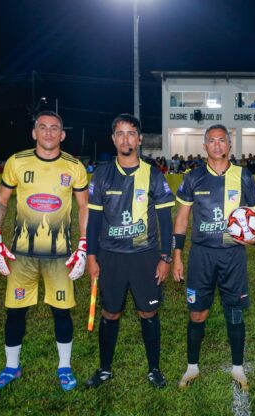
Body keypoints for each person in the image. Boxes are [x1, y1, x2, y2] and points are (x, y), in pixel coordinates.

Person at [0, 110, 89, 392]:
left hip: (60, 256)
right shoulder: (16, 162)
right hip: (22, 255)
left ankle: (64, 367)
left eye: (54, 128)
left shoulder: (74, 167)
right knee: (15, 312)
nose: (48, 133)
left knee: (62, 312)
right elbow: (1, 199)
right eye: (42, 128)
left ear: (63, 134)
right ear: (33, 132)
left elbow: (84, 207)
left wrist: (83, 246)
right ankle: (11, 367)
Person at [85, 114, 175, 389]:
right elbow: (94, 221)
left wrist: (165, 258)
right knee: (110, 313)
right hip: (110, 257)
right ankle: (104, 369)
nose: (126, 139)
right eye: (120, 134)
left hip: (145, 256)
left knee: (148, 313)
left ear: (139, 138)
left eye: (131, 133)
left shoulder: (153, 175)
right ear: (113, 139)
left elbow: (165, 221)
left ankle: (154, 369)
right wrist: (91, 257)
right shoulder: (101, 174)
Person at [172, 124, 255, 390]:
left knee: (235, 312)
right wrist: (177, 256)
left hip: (233, 255)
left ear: (229, 145)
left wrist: (254, 235)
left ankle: (237, 368)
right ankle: (192, 368)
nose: (217, 145)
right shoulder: (193, 177)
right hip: (201, 255)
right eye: (212, 141)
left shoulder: (244, 176)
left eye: (222, 140)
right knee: (198, 312)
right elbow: (182, 219)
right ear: (205, 146)